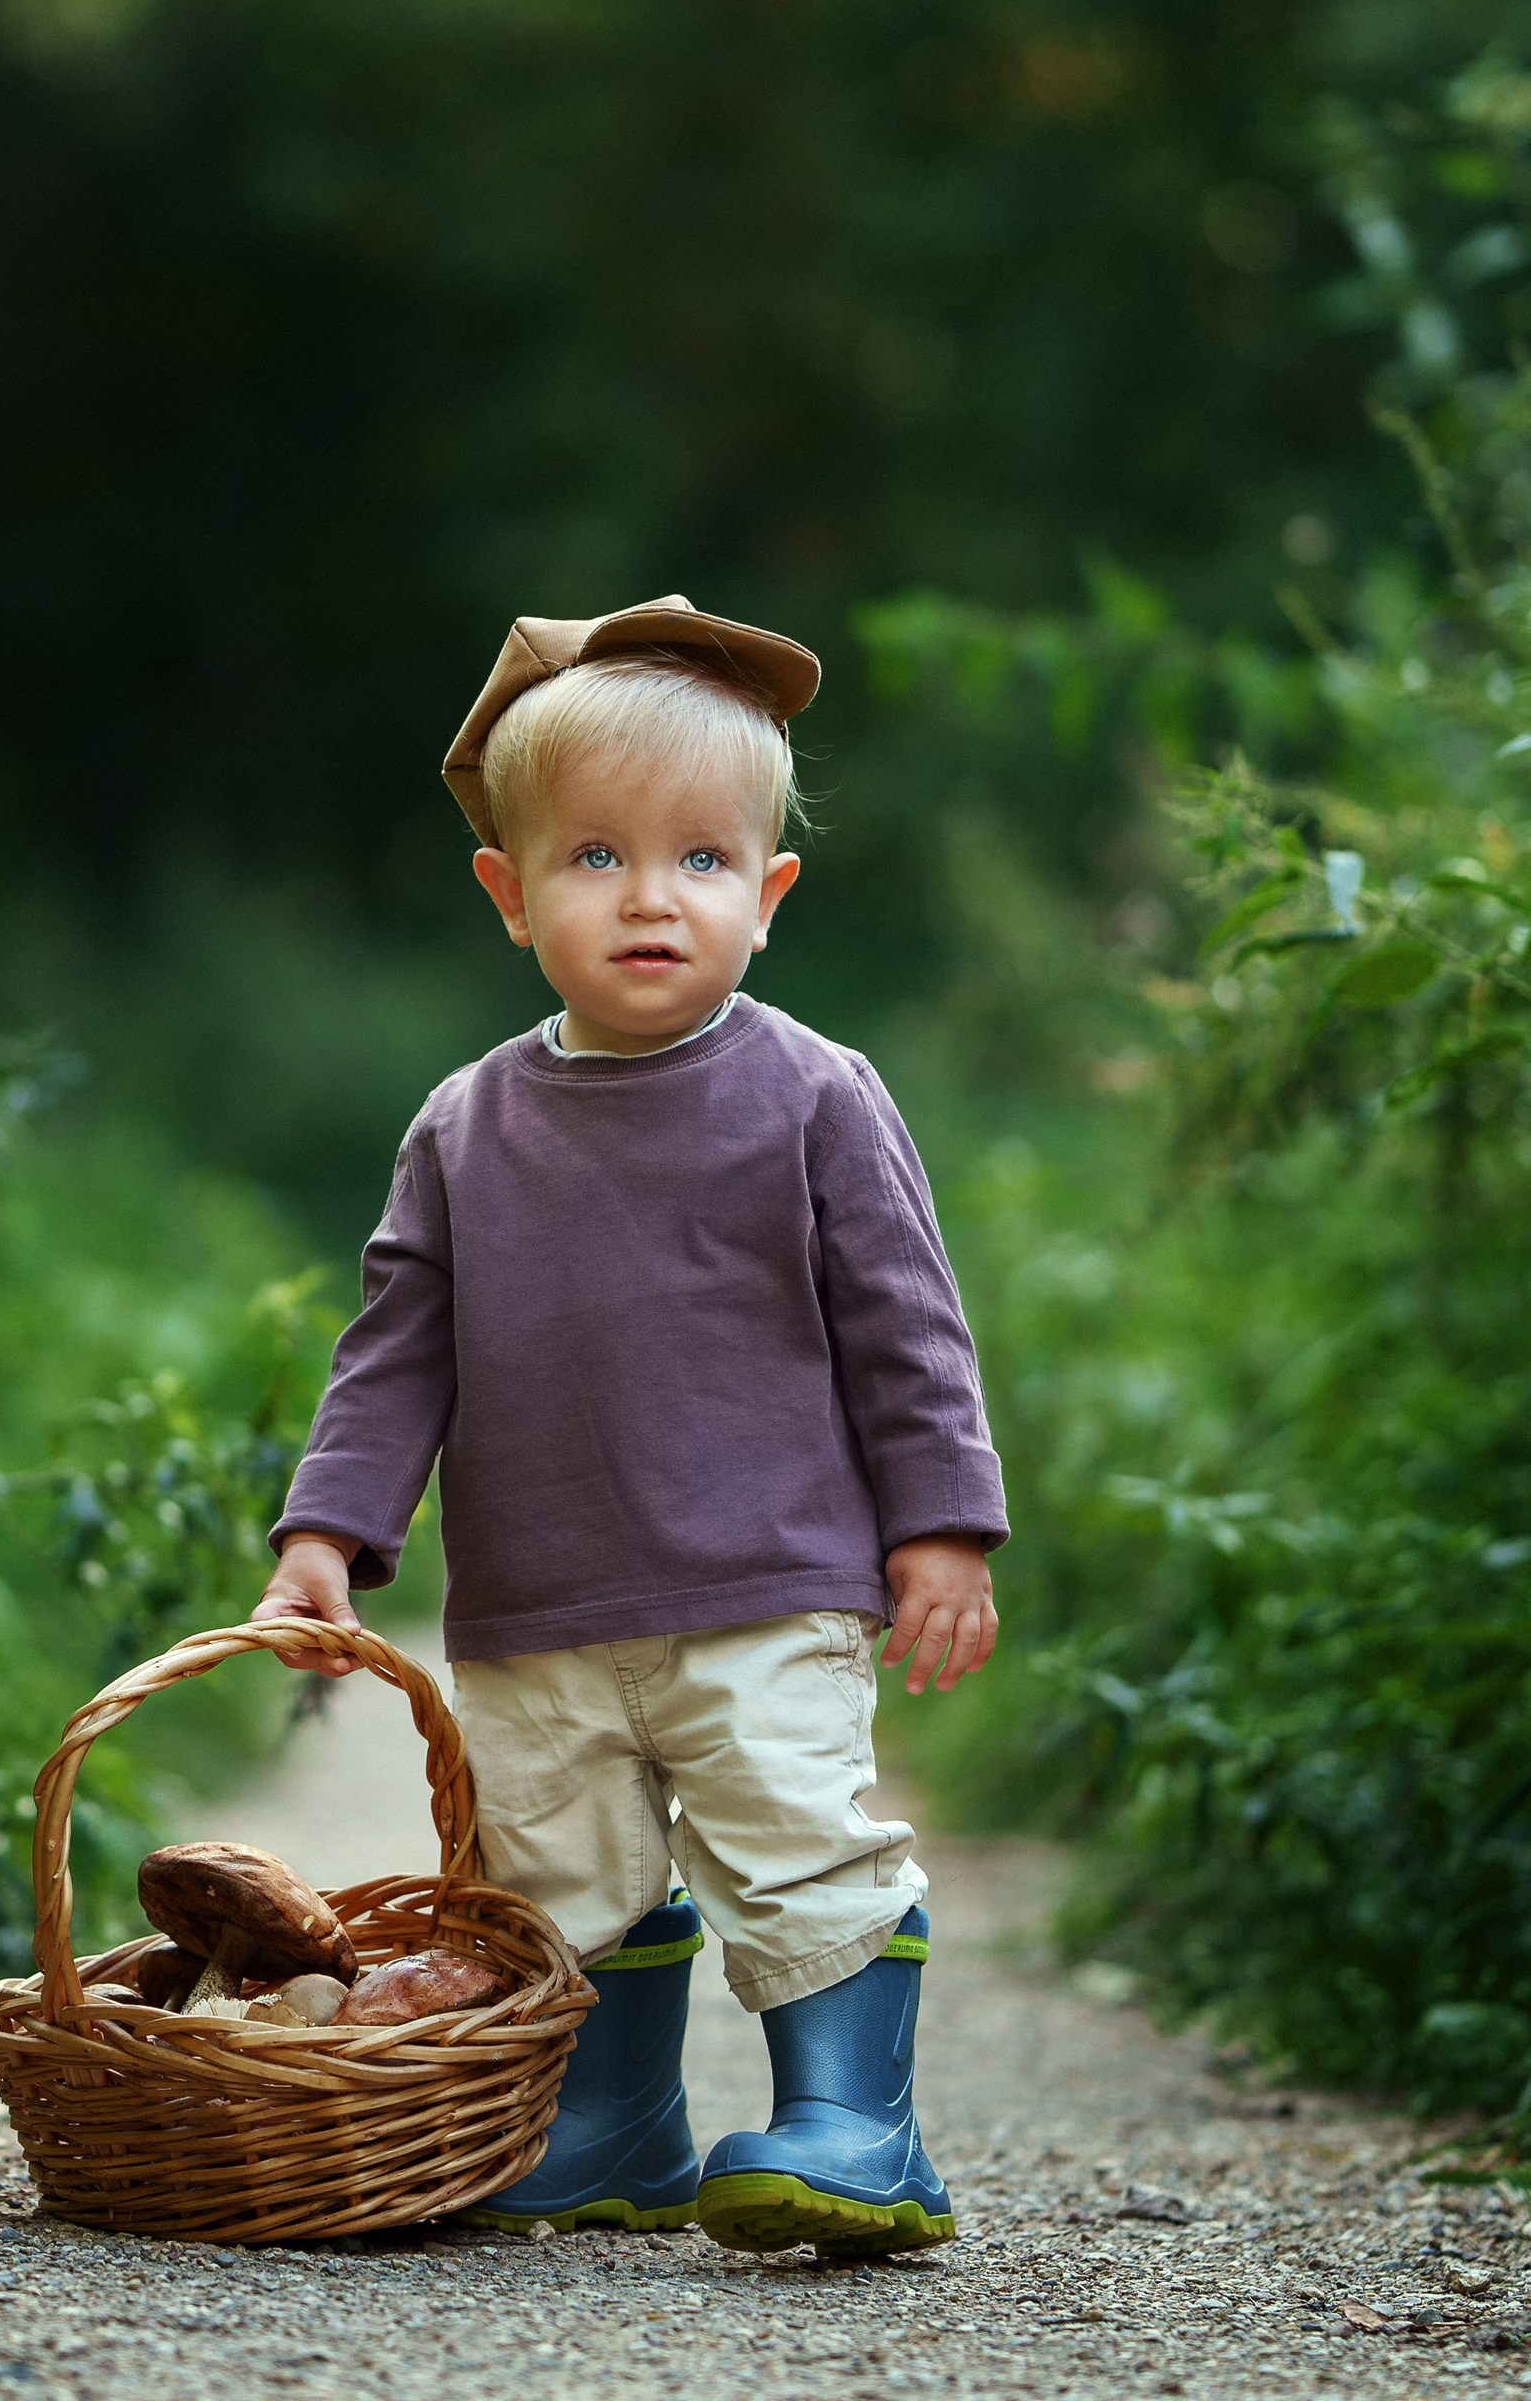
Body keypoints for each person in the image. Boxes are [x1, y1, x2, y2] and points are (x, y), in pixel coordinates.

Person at [251, 595, 1006, 2256]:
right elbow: (396, 1351)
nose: (652, 897)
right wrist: (326, 1535)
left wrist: (938, 1524)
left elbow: (908, 1327)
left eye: (702, 861)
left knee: (799, 1844)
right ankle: (613, 2125)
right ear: (509, 896)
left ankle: (853, 2124)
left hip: (772, 1583)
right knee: (561, 1882)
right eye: (595, 858)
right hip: (540, 1608)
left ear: (769, 895)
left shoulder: (813, 1091)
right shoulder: (467, 1126)